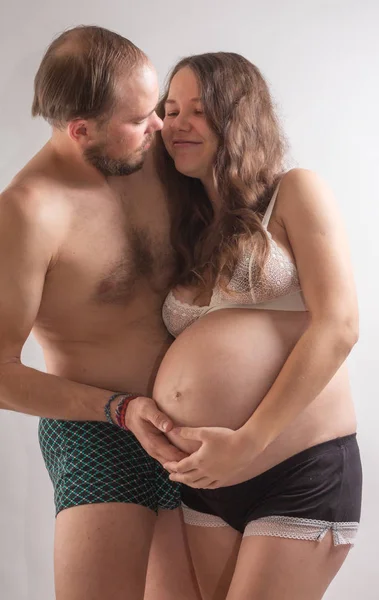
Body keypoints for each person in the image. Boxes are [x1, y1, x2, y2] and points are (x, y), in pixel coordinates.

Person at [148, 53, 362, 600]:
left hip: (294, 467)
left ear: (239, 117)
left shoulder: (295, 191)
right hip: (205, 482)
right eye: (169, 110)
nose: (177, 123)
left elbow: (339, 325)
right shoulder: (187, 227)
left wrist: (247, 443)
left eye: (198, 110)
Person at [0, 26, 200, 600]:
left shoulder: (155, 157)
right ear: (80, 130)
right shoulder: (28, 214)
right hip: (97, 428)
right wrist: (120, 409)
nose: (161, 127)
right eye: (140, 119)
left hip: (193, 426)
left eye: (156, 107)